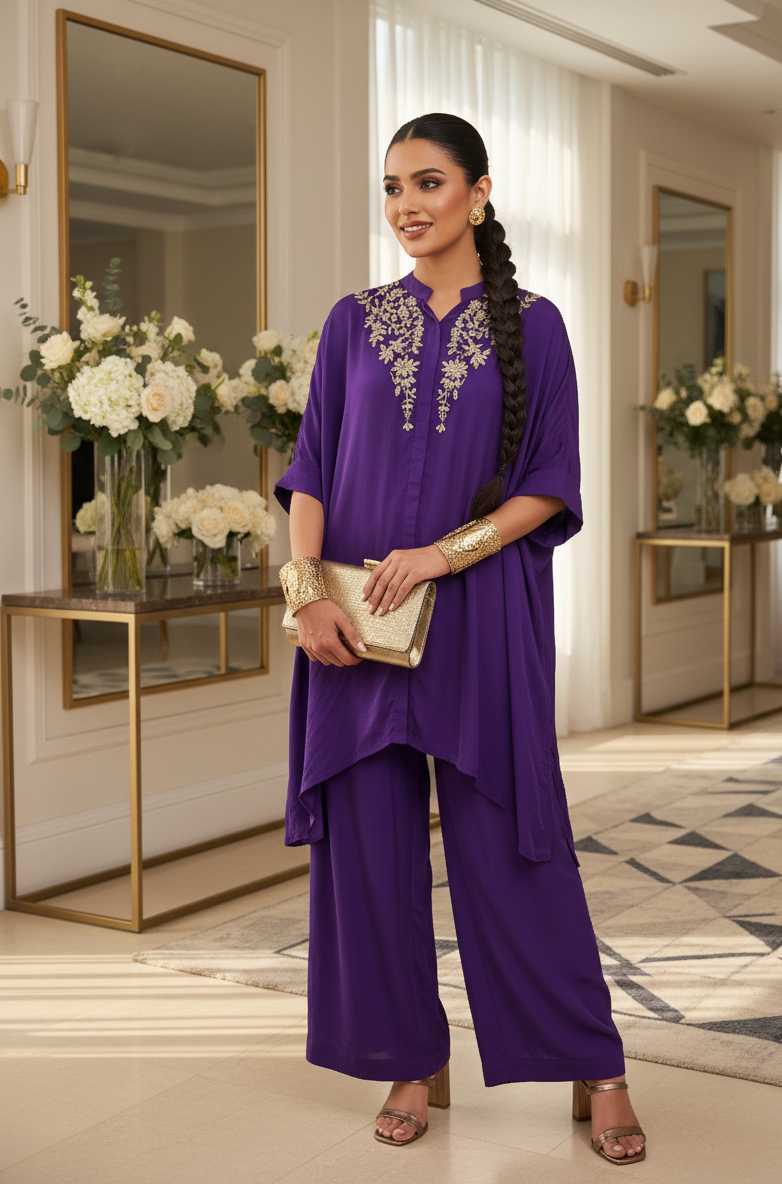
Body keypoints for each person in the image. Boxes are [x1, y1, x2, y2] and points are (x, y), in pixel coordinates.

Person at [274, 112, 647, 1166]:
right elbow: (310, 468)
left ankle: (595, 1062)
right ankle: (409, 1056)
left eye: (428, 182)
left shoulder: (537, 324)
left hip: (482, 619)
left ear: (478, 193)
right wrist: (305, 592)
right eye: (392, 187)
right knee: (368, 851)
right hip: (354, 623)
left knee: (513, 844)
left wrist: (443, 554)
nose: (406, 205)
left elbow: (550, 485)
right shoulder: (353, 321)